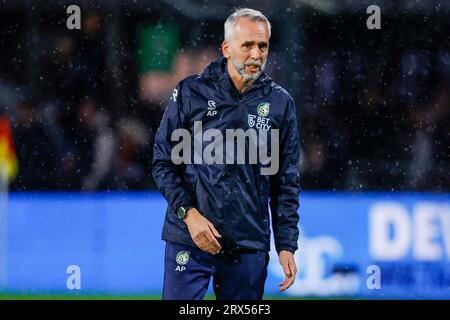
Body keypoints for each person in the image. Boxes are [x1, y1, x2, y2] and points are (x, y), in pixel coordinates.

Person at [152, 8, 300, 300]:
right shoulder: (191, 93)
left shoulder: (280, 104)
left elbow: (285, 181)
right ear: (227, 48)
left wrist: (286, 243)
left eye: (263, 46)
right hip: (190, 239)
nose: (256, 54)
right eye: (247, 45)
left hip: (248, 244)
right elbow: (162, 162)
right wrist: (189, 214)